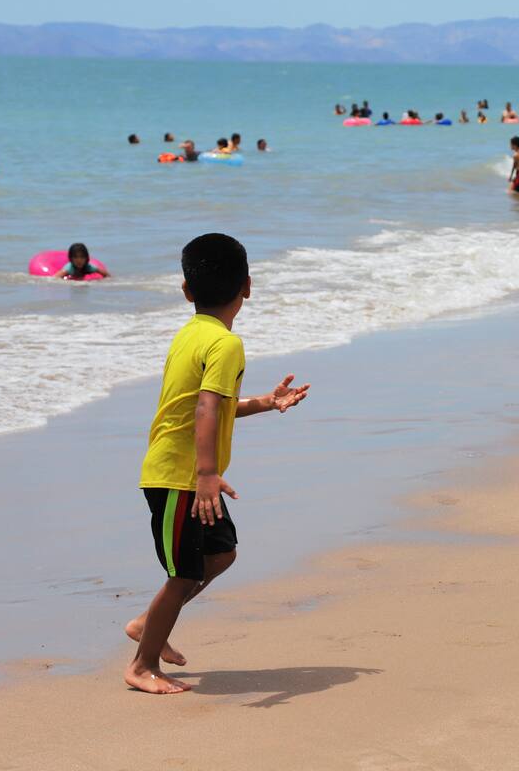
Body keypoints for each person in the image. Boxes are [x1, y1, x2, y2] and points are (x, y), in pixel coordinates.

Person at [125, 232, 310, 695]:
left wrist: (266, 402)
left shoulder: (193, 334)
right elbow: (205, 408)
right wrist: (206, 474)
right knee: (183, 572)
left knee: (221, 553)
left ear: (187, 291)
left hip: (194, 477)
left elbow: (213, 404)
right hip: (179, 476)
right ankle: (142, 664)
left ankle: (148, 623)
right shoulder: (225, 344)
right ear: (247, 286)